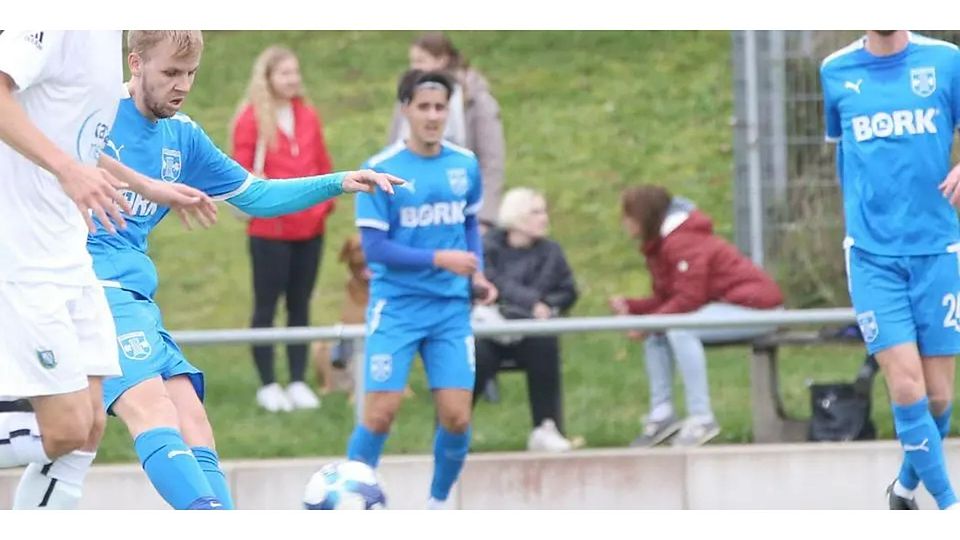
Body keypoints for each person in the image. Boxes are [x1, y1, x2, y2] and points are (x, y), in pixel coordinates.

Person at [81, 30, 401, 511]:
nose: (182, 85)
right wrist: (142, 185)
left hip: (135, 294)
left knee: (194, 419)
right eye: (170, 72)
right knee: (153, 410)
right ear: (135, 62)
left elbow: (257, 196)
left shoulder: (182, 136)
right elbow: (46, 144)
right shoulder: (92, 112)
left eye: (190, 73)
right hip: (89, 287)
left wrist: (340, 181)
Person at [0, 30, 216, 510]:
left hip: (68, 252)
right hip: (22, 251)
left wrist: (145, 185)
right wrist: (65, 169)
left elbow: (65, 130)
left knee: (88, 429)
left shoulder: (106, 36)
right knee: (65, 428)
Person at [348, 69, 498, 509]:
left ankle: (436, 506)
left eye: (440, 107)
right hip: (396, 307)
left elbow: (469, 224)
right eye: (424, 107)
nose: (433, 116)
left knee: (456, 416)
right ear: (405, 110)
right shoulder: (381, 169)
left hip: (450, 309)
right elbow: (375, 248)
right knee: (380, 414)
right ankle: (349, 505)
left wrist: (478, 273)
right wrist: (440, 259)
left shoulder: (463, 164)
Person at [823, 30, 960, 511]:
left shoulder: (946, 61)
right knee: (906, 385)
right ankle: (949, 506)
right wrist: (861, 221)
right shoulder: (835, 70)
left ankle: (903, 490)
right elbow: (842, 156)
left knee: (939, 398)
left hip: (938, 249)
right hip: (872, 256)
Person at [610, 185, 783, 448]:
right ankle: (662, 412)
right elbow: (670, 298)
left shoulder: (683, 241)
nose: (624, 224)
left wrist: (648, 323)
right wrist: (634, 308)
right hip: (727, 305)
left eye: (628, 216)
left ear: (644, 216)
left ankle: (702, 418)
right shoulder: (663, 243)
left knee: (680, 328)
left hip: (757, 309)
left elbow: (688, 300)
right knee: (659, 333)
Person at [232, 46, 335, 412]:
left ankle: (296, 380)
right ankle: (268, 383)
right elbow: (239, 174)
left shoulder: (307, 114)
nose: (292, 80)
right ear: (268, 78)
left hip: (309, 229)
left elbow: (322, 163)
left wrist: (323, 208)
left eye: (295, 72)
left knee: (300, 306)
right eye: (284, 73)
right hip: (269, 231)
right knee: (266, 306)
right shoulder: (251, 119)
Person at [471, 187, 578, 452]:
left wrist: (549, 307)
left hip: (530, 332)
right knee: (473, 356)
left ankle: (546, 427)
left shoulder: (551, 251)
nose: (544, 218)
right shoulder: (487, 248)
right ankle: (454, 431)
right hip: (490, 328)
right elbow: (490, 282)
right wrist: (531, 303)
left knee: (544, 345)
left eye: (544, 211)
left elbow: (567, 290)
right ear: (516, 217)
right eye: (536, 212)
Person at [387, 32, 505, 229]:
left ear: (442, 60)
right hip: (412, 210)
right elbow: (393, 150)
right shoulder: (407, 100)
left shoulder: (476, 100)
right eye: (412, 62)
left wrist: (484, 217)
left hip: (460, 206)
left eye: (421, 61)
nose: (414, 68)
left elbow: (491, 161)